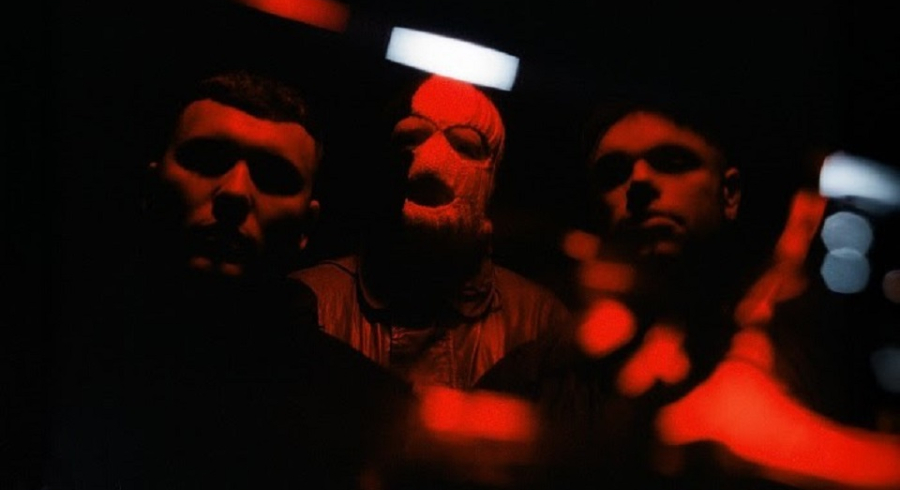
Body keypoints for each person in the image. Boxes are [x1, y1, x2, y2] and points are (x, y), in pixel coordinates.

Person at [474, 89, 900, 490]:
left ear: (729, 194)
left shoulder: (824, 356)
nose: (639, 182)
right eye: (613, 173)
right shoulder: (535, 373)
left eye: (673, 162)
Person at [44, 69, 416, 490]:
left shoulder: (372, 416)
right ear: (152, 185)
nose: (236, 192)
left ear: (307, 226)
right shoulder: (53, 356)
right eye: (206, 160)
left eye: (273, 177)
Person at [291, 73, 572, 392]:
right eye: (410, 140)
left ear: (492, 181)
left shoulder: (539, 322)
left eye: (465, 146)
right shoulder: (310, 304)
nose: (430, 164)